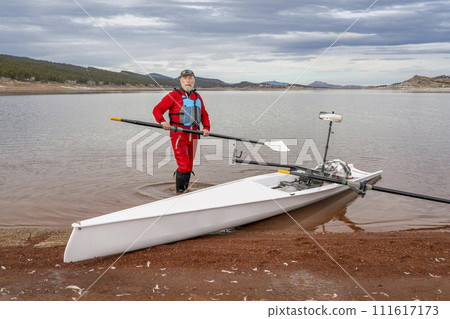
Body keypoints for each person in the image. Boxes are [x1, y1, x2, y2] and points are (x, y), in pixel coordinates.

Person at [153, 69, 210, 193]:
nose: (188, 81)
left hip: (194, 136)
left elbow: (204, 115)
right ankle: (179, 193)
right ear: (181, 80)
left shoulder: (197, 96)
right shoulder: (173, 96)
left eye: (190, 78)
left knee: (189, 166)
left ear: (194, 80)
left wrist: (206, 128)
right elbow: (157, 109)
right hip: (179, 135)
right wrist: (162, 121)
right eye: (185, 78)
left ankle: (185, 192)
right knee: (183, 165)